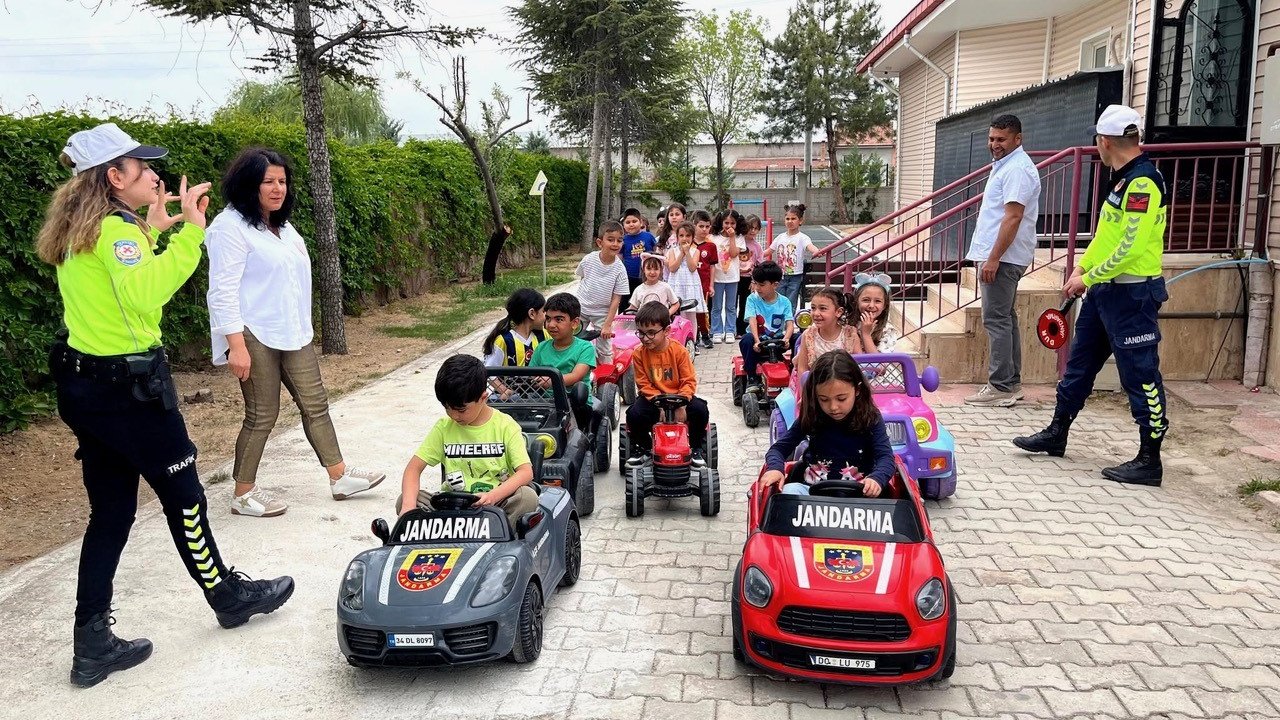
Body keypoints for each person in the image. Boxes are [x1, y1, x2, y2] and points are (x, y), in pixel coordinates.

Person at [38, 123, 293, 687]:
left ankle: (91, 643)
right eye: (143, 167)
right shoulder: (112, 232)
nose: (155, 176)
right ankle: (227, 595)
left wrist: (152, 233)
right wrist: (189, 234)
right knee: (186, 498)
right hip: (130, 392)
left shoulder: (84, 231)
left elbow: (119, 292)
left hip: (85, 387)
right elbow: (145, 294)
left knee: (110, 514)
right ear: (114, 177)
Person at [206, 147, 385, 518]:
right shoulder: (228, 228)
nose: (277, 188)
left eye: (282, 181)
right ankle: (243, 492)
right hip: (253, 331)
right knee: (262, 414)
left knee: (316, 404)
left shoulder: (282, 228)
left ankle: (339, 476)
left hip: (293, 329)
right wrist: (234, 346)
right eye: (268, 181)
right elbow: (221, 290)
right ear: (247, 185)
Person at [1013, 105, 1170, 486]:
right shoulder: (1121, 180)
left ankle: (1149, 460)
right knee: (1079, 364)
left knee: (1141, 373)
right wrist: (1083, 268)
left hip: (1133, 295)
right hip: (1104, 292)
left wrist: (1090, 276)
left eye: (1096, 141)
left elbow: (1130, 249)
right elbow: (1105, 238)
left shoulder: (1144, 183)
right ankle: (1057, 433)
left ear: (1103, 141)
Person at [398, 354, 539, 522]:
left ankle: (502, 536)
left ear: (483, 398)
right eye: (447, 408)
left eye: (461, 409)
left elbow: (525, 472)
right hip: (451, 505)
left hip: (495, 504)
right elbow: (413, 469)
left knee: (527, 497)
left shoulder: (505, 426)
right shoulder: (444, 427)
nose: (453, 415)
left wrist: (493, 496)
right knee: (405, 500)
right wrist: (408, 507)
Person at [964, 114, 1041, 408]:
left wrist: (993, 258)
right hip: (1002, 256)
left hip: (1004, 258)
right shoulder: (1007, 166)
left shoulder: (1017, 170)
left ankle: (1000, 386)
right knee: (1005, 319)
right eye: (992, 138)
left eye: (1001, 139)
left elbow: (1013, 216)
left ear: (1017, 139)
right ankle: (1010, 382)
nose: (994, 144)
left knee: (996, 320)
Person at [760, 351, 894, 496]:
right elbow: (778, 449)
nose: (833, 407)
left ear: (857, 390)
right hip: (812, 495)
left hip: (858, 497)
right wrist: (775, 468)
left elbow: (886, 457)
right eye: (824, 399)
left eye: (841, 398)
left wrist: (876, 479)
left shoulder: (870, 418)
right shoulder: (813, 415)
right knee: (787, 492)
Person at [624, 301, 710, 468]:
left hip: (680, 398)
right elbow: (643, 383)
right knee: (634, 414)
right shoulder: (638, 354)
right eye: (641, 333)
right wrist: (660, 405)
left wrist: (682, 404)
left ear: (667, 331)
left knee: (700, 410)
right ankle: (645, 448)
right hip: (653, 399)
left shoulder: (679, 351)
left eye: (650, 333)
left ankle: (696, 447)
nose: (645, 338)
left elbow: (688, 380)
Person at [531, 292, 598, 431]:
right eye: (548, 319)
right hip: (545, 401)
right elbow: (531, 374)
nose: (551, 324)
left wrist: (551, 381)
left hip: (576, 402)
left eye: (559, 319)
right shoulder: (541, 348)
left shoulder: (585, 348)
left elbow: (576, 376)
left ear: (574, 323)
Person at [575, 220, 629, 365]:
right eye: (610, 240)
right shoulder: (588, 259)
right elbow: (582, 279)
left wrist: (608, 324)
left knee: (605, 347)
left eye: (619, 240)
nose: (615, 244)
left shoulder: (620, 269)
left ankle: (607, 376)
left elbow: (616, 299)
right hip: (582, 308)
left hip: (603, 313)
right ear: (600, 242)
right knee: (573, 339)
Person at [738, 261, 795, 391]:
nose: (757, 288)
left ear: (775, 285)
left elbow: (790, 324)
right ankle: (752, 378)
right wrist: (757, 341)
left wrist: (786, 338)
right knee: (746, 339)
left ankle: (794, 369)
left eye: (762, 285)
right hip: (759, 342)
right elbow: (752, 320)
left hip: (779, 340)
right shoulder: (752, 299)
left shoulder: (784, 301)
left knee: (799, 338)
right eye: (756, 283)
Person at [795, 288, 866, 373]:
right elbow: (802, 368)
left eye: (823, 308)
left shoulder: (850, 335)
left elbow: (859, 367)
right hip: (816, 383)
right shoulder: (808, 335)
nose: (816, 313)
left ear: (839, 312)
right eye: (813, 308)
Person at [767, 202, 820, 310]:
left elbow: (810, 246)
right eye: (787, 219)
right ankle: (779, 325)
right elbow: (769, 251)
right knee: (778, 302)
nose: (790, 221)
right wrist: (754, 254)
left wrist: (816, 251)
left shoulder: (802, 238)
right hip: (780, 276)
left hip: (795, 276)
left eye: (793, 218)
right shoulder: (780, 237)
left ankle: (789, 325)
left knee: (791, 302)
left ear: (800, 221)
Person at [482, 288, 547, 367]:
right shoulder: (503, 341)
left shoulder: (545, 335)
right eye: (543, 311)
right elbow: (489, 373)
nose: (546, 316)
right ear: (532, 314)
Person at [665, 221, 703, 344]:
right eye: (681, 236)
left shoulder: (695, 251)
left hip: (690, 285)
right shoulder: (672, 251)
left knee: (691, 315)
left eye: (687, 236)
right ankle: (679, 342)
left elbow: (692, 267)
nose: (684, 238)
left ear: (692, 237)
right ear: (677, 237)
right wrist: (681, 253)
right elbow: (672, 268)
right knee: (679, 315)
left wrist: (687, 253)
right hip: (677, 285)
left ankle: (693, 342)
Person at [710, 209, 743, 344]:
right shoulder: (713, 237)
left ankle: (730, 330)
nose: (729, 226)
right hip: (717, 277)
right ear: (721, 222)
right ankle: (716, 330)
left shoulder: (739, 237)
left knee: (731, 306)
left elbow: (734, 254)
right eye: (726, 223)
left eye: (732, 223)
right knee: (716, 306)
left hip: (732, 277)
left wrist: (732, 238)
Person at [851, 273, 900, 353]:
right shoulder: (847, 325)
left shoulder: (888, 331)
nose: (871, 305)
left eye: (877, 301)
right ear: (857, 301)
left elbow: (878, 363)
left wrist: (866, 334)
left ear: (885, 305)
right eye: (866, 300)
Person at [619, 207, 656, 310]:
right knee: (626, 302)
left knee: (646, 302)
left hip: (647, 276)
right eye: (628, 222)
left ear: (640, 222)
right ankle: (623, 323)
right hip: (629, 277)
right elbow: (619, 259)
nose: (631, 224)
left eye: (634, 221)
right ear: (623, 225)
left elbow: (656, 253)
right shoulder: (623, 240)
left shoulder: (648, 237)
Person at [692, 210, 718, 349]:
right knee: (691, 310)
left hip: (704, 284)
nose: (704, 229)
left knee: (703, 311)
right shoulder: (687, 244)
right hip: (689, 285)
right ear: (694, 225)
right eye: (701, 226)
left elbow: (713, 267)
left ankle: (705, 335)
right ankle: (693, 337)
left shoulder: (711, 246)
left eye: (707, 226)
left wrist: (712, 285)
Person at [736, 214, 764, 338]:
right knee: (731, 305)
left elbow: (759, 266)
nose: (752, 231)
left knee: (744, 304)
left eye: (755, 228)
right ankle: (731, 329)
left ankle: (741, 329)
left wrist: (754, 281)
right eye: (750, 227)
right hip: (734, 278)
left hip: (748, 279)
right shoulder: (738, 242)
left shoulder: (757, 246)